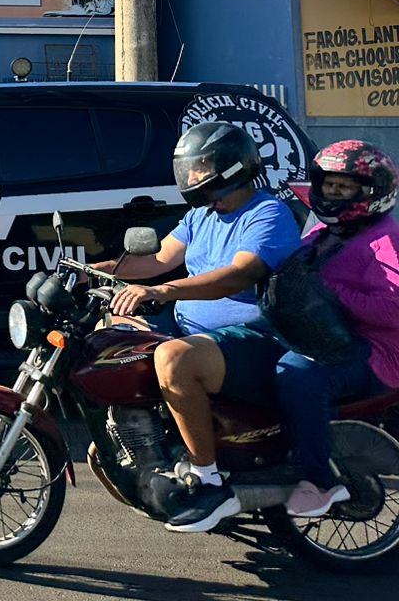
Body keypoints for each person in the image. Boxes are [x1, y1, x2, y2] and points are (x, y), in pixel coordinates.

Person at [97, 121, 303, 533]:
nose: (193, 176)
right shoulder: (199, 216)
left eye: (202, 166)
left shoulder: (267, 213)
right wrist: (95, 272)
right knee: (117, 334)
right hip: (202, 337)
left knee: (173, 358)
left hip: (258, 339)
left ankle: (209, 481)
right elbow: (156, 261)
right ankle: (155, 450)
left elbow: (237, 275)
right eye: (191, 167)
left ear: (231, 167)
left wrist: (162, 292)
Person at [265, 140, 399, 520]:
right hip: (325, 335)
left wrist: (332, 293)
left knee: (300, 375)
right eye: (329, 185)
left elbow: (394, 309)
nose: (333, 194)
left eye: (345, 187)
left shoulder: (383, 239)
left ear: (372, 193)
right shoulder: (325, 233)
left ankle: (318, 481)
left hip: (375, 352)